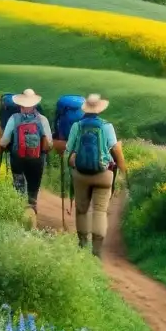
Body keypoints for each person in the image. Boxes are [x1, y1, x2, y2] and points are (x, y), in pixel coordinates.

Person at [64, 93, 127, 259]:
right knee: (100, 211)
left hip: (81, 175)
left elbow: (68, 150)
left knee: (82, 210)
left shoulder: (77, 126)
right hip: (103, 175)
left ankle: (83, 243)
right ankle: (96, 250)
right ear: (99, 109)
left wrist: (72, 164)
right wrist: (122, 168)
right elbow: (115, 149)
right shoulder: (107, 126)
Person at [0, 88, 52, 225]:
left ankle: (18, 219)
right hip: (37, 161)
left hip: (18, 160)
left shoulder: (13, 119)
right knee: (33, 191)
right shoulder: (42, 119)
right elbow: (49, 144)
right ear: (34, 104)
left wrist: (0, 142)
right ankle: (32, 215)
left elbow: (4, 142)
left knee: (19, 189)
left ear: (20, 105)